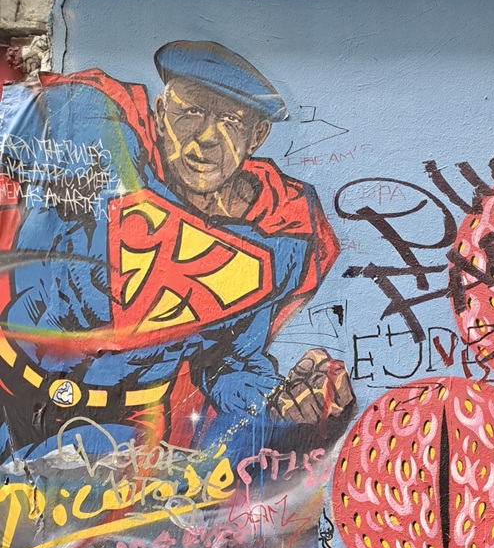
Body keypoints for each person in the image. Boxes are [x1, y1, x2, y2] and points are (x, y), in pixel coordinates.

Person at [0, 40, 352, 458]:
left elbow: (228, 363)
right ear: (161, 111)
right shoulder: (100, 142)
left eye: (231, 121)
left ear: (257, 136)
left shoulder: (270, 244)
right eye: (191, 112)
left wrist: (286, 400)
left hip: (114, 431)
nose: (206, 138)